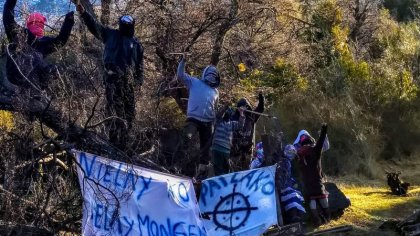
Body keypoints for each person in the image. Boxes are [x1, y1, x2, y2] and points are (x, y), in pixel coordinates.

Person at [77, 4, 144, 150]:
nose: (125, 26)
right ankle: (112, 143)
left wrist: (139, 83)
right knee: (112, 111)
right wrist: (83, 12)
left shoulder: (137, 45)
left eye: (128, 24)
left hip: (129, 84)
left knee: (129, 114)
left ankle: (125, 144)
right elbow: (94, 26)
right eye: (123, 23)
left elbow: (140, 67)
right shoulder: (110, 34)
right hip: (112, 80)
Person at [3, 0, 75, 90]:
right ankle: (41, 94)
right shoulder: (44, 42)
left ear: (28, 24)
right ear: (42, 26)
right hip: (32, 79)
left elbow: (7, 14)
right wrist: (69, 21)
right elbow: (61, 40)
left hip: (13, 75)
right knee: (55, 69)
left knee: (45, 68)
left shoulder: (18, 33)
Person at [173, 55, 219, 179]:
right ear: (205, 73)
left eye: (214, 75)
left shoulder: (216, 92)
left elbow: (215, 107)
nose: (211, 77)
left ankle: (201, 174)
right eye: (210, 74)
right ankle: (176, 167)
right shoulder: (194, 82)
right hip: (193, 119)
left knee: (206, 149)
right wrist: (183, 61)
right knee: (185, 139)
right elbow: (180, 75)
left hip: (208, 122)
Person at [294, 124, 330, 226]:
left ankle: (317, 221)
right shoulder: (315, 150)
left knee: (312, 199)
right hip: (317, 181)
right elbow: (322, 140)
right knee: (323, 198)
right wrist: (324, 129)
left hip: (307, 184)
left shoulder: (298, 154)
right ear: (311, 141)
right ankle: (327, 219)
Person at [231, 93, 265, 169]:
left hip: (248, 149)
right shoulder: (234, 117)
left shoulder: (252, 117)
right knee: (234, 169)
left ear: (247, 107)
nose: (242, 109)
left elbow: (261, 108)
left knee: (246, 169)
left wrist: (261, 97)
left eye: (244, 107)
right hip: (236, 150)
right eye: (241, 107)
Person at [276, 144, 306, 224]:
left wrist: (293, 181)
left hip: (288, 185)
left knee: (297, 197)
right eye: (289, 152)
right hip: (283, 187)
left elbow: (288, 175)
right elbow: (282, 176)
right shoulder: (283, 161)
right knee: (291, 198)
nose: (291, 154)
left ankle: (299, 217)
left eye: (292, 153)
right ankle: (293, 217)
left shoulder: (288, 161)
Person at [212, 106, 244, 176]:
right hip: (220, 149)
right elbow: (219, 115)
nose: (227, 114)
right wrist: (225, 107)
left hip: (223, 150)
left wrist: (241, 113)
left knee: (223, 171)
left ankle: (223, 184)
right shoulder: (219, 121)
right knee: (221, 170)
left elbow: (240, 125)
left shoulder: (231, 124)